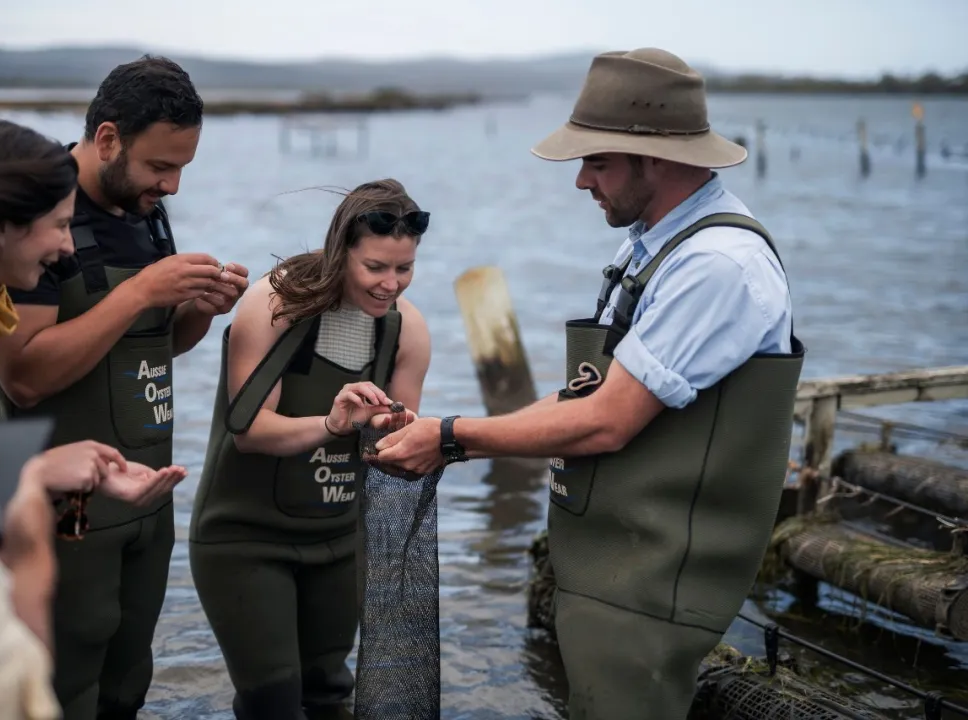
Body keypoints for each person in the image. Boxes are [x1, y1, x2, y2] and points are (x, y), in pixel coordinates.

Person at [372, 48, 805, 720]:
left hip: (656, 581)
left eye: (595, 161)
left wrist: (452, 438)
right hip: (613, 565)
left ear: (653, 157)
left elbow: (609, 421)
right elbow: (583, 399)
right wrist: (446, 434)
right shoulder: (650, 246)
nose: (580, 181)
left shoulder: (718, 265)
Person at [0, 4, 179, 719]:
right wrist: (28, 565)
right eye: (53, 227)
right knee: (73, 667)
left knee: (124, 669)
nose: (66, 247)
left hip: (110, 499)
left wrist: (42, 469)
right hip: (45, 556)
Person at [0, 56, 249, 720]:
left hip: (144, 495)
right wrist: (142, 291)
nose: (174, 185)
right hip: (56, 502)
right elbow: (21, 377)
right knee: (59, 685)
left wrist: (198, 307)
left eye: (184, 167)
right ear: (107, 140)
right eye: (162, 167)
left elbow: (153, 348)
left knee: (128, 678)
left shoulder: (147, 211)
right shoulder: (36, 213)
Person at [189, 178, 433, 719]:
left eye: (404, 269)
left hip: (339, 544)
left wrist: (396, 432)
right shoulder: (277, 301)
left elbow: (393, 451)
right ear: (340, 250)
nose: (391, 285)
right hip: (245, 539)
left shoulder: (407, 330)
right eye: (375, 267)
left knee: (327, 698)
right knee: (273, 704)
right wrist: (333, 422)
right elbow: (249, 432)